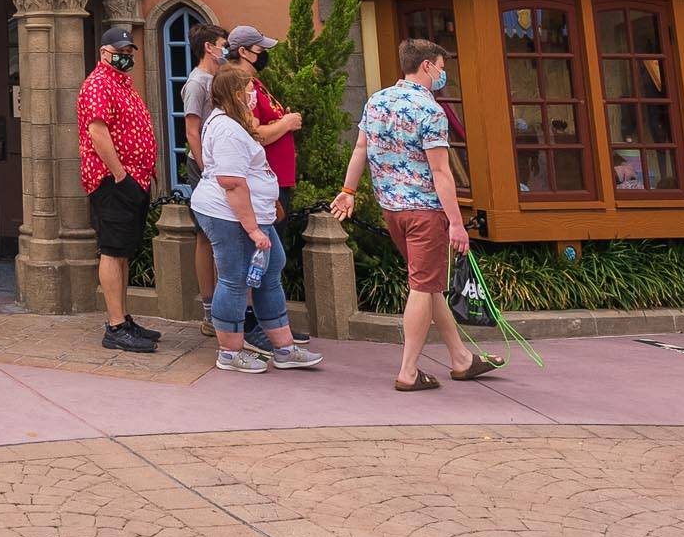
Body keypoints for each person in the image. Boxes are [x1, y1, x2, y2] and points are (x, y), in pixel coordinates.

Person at [330, 38, 500, 391]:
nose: (443, 74)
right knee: (423, 286)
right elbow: (441, 172)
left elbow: (360, 147)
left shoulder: (376, 100)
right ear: (426, 66)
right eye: (441, 67)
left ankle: (461, 359)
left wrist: (348, 192)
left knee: (429, 283)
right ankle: (408, 371)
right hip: (425, 211)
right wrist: (456, 223)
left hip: (391, 210)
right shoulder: (430, 111)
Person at [189, 64, 322, 372]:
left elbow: (252, 171)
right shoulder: (226, 129)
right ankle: (230, 352)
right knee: (234, 277)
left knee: (271, 268)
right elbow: (232, 182)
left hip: (250, 213)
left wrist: (269, 202)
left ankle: (284, 348)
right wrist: (252, 228)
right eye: (249, 89)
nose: (254, 94)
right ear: (236, 94)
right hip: (229, 216)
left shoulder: (235, 124)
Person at [78, 24, 164, 353]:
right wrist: (120, 176)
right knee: (113, 251)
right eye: (120, 53)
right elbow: (98, 132)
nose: (126, 58)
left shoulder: (122, 83)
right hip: (113, 182)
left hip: (134, 178)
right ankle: (115, 327)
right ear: (104, 53)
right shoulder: (99, 84)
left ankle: (123, 318)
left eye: (129, 54)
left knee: (123, 252)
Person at [227, 27, 308, 344]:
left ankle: (272, 322)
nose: (264, 54)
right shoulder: (240, 85)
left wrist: (285, 122)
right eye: (260, 49)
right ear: (245, 51)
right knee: (263, 257)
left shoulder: (255, 83)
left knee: (273, 258)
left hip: (278, 178)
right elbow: (255, 132)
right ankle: (256, 322)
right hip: (263, 183)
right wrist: (286, 124)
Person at [178, 22, 227, 332]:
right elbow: (191, 130)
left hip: (221, 164)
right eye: (222, 43)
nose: (226, 48)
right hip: (205, 168)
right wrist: (206, 166)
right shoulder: (197, 83)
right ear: (209, 47)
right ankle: (210, 309)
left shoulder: (218, 79)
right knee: (207, 235)